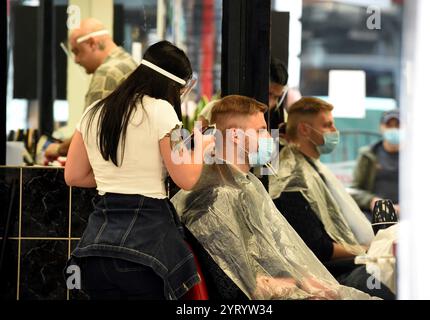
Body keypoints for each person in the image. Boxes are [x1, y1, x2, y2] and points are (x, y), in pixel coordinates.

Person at [171, 95, 376, 300]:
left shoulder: (248, 185)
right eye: (260, 131)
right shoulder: (214, 199)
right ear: (235, 136)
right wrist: (296, 282)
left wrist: (305, 280)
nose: (270, 138)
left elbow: (273, 255)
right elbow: (240, 287)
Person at [64, 40, 214, 300]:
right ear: (175, 85)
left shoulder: (93, 111)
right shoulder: (162, 111)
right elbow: (186, 178)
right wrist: (201, 146)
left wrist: (114, 177)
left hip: (95, 249)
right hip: (147, 248)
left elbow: (74, 175)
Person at [268, 97, 395, 299]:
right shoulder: (291, 181)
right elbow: (319, 248)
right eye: (327, 125)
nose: (334, 130)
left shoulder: (313, 168)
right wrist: (367, 249)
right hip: (329, 273)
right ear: (304, 130)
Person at [45, 18, 137, 159]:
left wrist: (58, 149)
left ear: (92, 43)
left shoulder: (107, 73)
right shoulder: (130, 62)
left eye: (77, 51)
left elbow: (88, 133)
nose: (76, 60)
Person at [351, 109, 400, 215]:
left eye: (398, 126)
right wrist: (371, 201)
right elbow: (354, 191)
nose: (394, 129)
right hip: (374, 215)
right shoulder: (367, 155)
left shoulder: (414, 159)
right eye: (389, 125)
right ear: (381, 127)